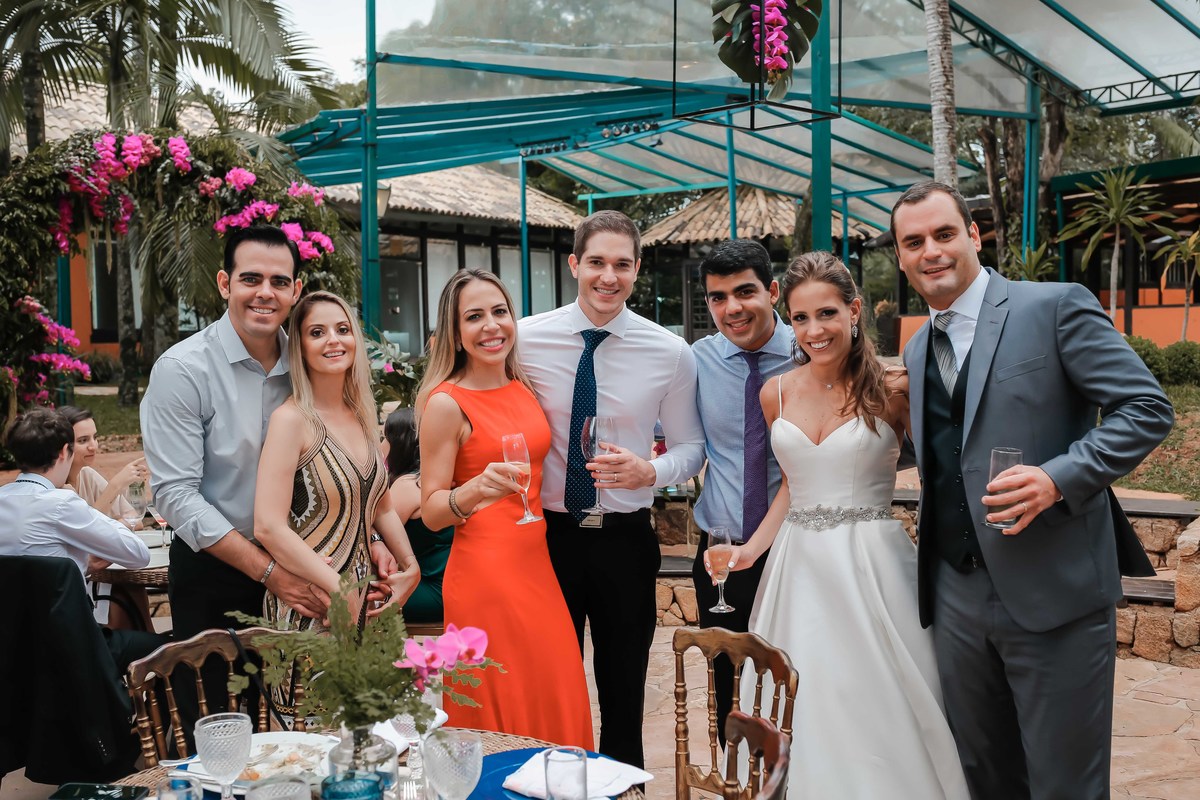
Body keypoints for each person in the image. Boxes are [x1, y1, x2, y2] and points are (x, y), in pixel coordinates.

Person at [892, 181, 1172, 799]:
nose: (931, 251)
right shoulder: (914, 349)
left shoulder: (1054, 306)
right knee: (985, 778)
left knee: (1064, 785)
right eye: (913, 242)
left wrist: (1057, 477)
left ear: (974, 235)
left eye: (944, 234)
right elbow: (939, 448)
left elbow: (1147, 408)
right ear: (901, 257)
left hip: (1054, 591)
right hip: (955, 596)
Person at [717, 252, 971, 798]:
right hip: (798, 566)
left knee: (878, 692)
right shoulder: (775, 393)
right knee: (802, 692)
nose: (814, 330)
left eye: (827, 313)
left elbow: (942, 475)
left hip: (873, 564)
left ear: (854, 310)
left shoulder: (897, 387)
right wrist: (752, 550)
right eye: (801, 317)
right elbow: (794, 484)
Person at [519, 210, 704, 768]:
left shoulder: (670, 352)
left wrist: (653, 472)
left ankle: (623, 786)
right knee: (552, 686)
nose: (609, 276)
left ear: (637, 270)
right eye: (596, 262)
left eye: (622, 265)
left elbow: (691, 448)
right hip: (547, 539)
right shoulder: (524, 339)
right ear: (574, 263)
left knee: (623, 692)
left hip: (626, 541)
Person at [417, 268, 593, 748]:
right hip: (484, 576)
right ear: (454, 332)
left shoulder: (522, 385)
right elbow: (431, 510)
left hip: (537, 564)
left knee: (558, 688)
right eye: (473, 317)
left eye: (499, 312)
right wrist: (475, 490)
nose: (491, 326)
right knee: (500, 702)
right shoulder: (445, 404)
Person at [254, 290, 420, 632]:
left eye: (343, 330)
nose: (333, 340)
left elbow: (382, 508)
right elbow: (268, 526)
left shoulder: (362, 416)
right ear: (299, 346)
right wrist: (335, 586)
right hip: (312, 603)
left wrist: (410, 566)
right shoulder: (291, 420)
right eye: (317, 332)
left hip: (366, 598)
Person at [688, 240, 793, 744]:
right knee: (727, 687)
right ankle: (734, 779)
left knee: (791, 677)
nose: (732, 308)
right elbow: (687, 445)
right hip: (721, 551)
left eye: (745, 292)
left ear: (772, 291)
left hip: (793, 547)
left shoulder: (809, 352)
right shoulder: (695, 362)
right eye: (718, 297)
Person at [0, 408, 163, 672]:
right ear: (65, 451)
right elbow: (138, 554)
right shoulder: (61, 504)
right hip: (70, 646)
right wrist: (89, 554)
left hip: (12, 648)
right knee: (163, 646)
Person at [60, 404, 154, 629]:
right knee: (125, 585)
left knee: (128, 584)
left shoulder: (87, 475)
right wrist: (116, 485)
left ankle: (145, 646)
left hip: (102, 571)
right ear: (64, 447)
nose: (93, 446)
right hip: (77, 585)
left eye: (94, 437)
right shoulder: (59, 490)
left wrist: (109, 528)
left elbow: (135, 519)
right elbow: (85, 533)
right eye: (83, 440)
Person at [382, 407, 453, 624]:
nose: (380, 444)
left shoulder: (408, 485)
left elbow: (376, 541)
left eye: (384, 437)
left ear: (398, 442)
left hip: (431, 591)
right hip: (450, 588)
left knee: (352, 598)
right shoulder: (435, 480)